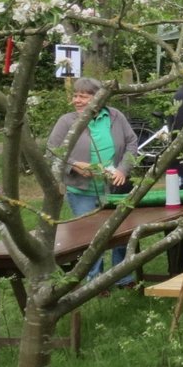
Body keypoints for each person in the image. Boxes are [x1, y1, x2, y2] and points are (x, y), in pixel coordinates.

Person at [47, 77, 140, 283]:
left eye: (83, 96)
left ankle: (122, 278)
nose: (76, 100)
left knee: (121, 232)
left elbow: (132, 143)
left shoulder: (115, 116)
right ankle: (95, 281)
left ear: (99, 99)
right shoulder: (67, 121)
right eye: (75, 95)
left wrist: (123, 170)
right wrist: (75, 165)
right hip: (83, 191)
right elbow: (52, 151)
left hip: (115, 189)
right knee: (90, 237)